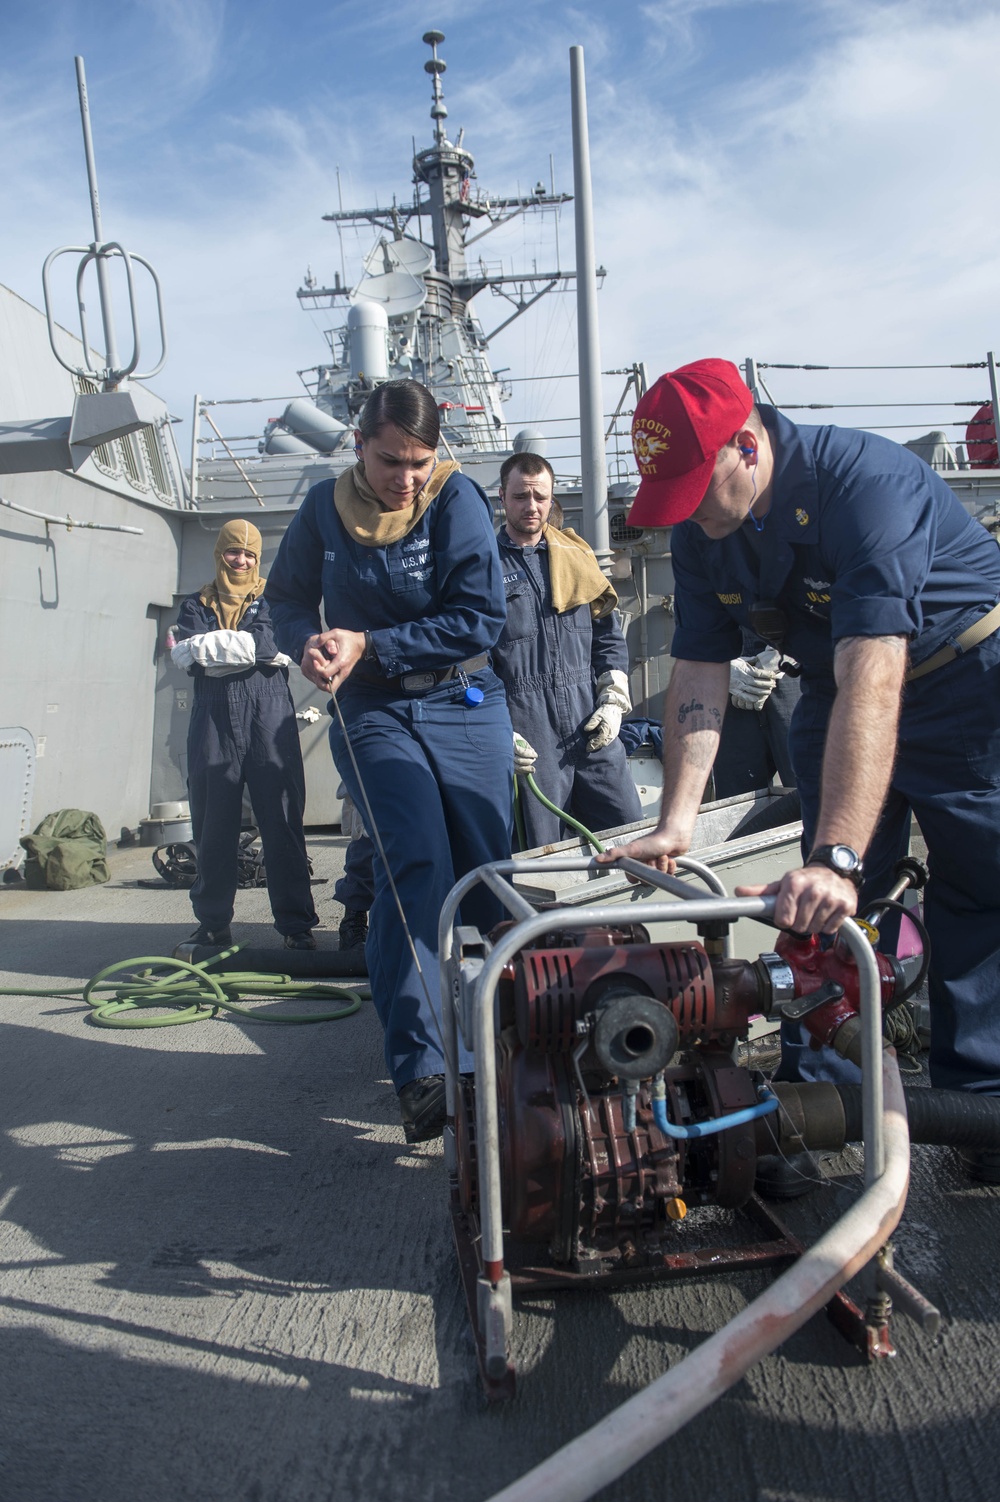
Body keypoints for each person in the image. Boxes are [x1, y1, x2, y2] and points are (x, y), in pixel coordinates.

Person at [600, 358, 1000, 1144]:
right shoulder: (702, 526)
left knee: (975, 899)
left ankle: (977, 1108)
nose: (692, 518)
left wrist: (839, 857)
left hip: (961, 689)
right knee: (811, 918)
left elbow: (876, 678)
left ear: (745, 447)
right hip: (834, 687)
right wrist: (676, 822)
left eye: (696, 492)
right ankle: (811, 1108)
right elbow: (698, 669)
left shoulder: (864, 488)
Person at [265, 379, 514, 1144]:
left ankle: (503, 1044)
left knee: (487, 875)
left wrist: (372, 641)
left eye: (418, 461)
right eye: (389, 460)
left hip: (461, 699)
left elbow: (480, 618)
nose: (404, 479)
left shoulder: (457, 500)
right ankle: (423, 1069)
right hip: (370, 709)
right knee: (415, 867)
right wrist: (308, 641)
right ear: (358, 443)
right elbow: (287, 600)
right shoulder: (322, 510)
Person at [171, 519, 318, 950]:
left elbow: (267, 646)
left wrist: (205, 649)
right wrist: (217, 651)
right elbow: (187, 653)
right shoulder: (195, 603)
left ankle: (296, 926)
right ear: (221, 555)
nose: (241, 560)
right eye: (233, 552)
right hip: (213, 717)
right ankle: (213, 922)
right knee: (213, 823)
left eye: (250, 554)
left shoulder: (274, 597)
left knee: (282, 819)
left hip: (267, 711)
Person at [493, 452, 643, 848]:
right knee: (543, 849)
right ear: (502, 497)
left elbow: (607, 638)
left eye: (540, 497)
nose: (531, 506)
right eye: (521, 496)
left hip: (588, 719)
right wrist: (497, 731)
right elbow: (475, 660)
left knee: (627, 828)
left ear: (551, 497)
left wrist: (613, 701)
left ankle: (631, 913)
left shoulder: (577, 558)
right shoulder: (483, 568)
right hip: (528, 724)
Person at [713, 630, 799, 800]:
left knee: (811, 790)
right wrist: (717, 664)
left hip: (793, 675)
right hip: (730, 681)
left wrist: (791, 646)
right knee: (736, 800)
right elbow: (694, 619)